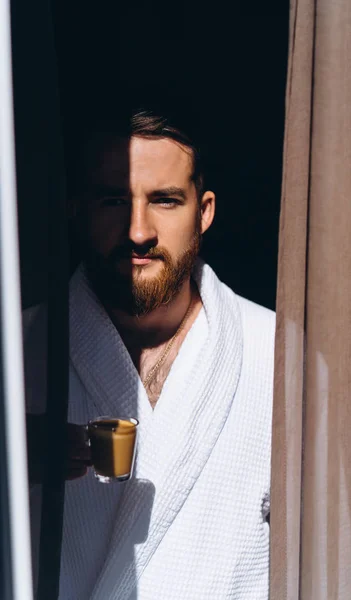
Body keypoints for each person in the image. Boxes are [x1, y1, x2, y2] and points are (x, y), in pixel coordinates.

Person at [24, 104, 275, 599]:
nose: (139, 232)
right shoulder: (21, 353)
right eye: (115, 201)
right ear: (77, 209)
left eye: (163, 200)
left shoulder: (277, 353)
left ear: (203, 213)